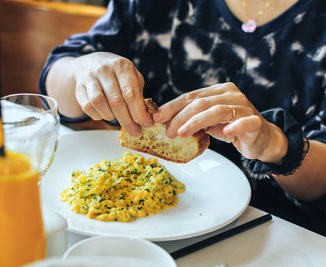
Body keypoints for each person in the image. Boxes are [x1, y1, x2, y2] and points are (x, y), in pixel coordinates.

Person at [39, 0, 326, 235]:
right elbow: (57, 82)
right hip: (126, 234)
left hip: (278, 234)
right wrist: (82, 70)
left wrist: (278, 147)